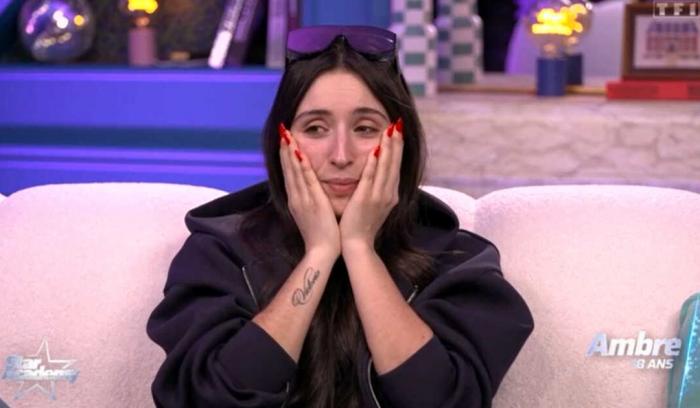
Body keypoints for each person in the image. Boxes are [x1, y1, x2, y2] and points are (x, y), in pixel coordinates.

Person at [146, 25, 534, 408]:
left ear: (402, 141)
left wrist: (359, 248)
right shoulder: (220, 253)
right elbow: (210, 399)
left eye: (365, 128)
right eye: (315, 128)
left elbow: (443, 401)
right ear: (284, 142)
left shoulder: (458, 263)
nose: (341, 155)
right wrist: (319, 253)